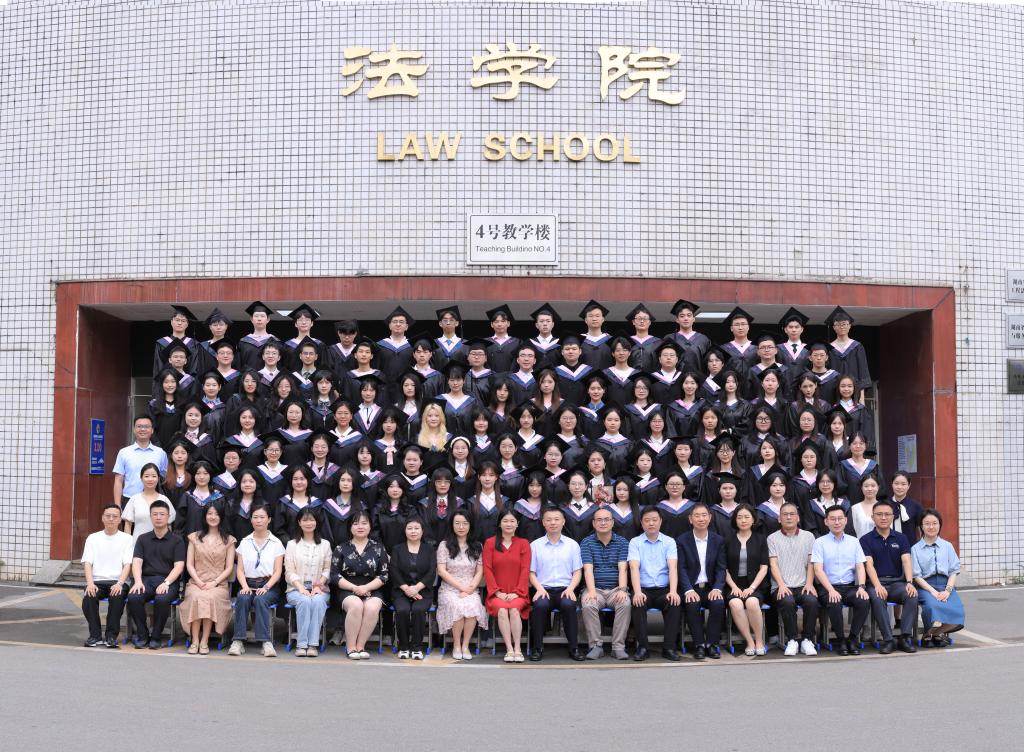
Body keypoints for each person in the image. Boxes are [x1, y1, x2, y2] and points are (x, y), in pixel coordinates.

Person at [811, 505, 871, 655]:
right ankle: (841, 640)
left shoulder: (854, 541)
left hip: (849, 587)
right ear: (826, 522)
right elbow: (818, 570)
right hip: (827, 587)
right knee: (834, 602)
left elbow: (860, 566)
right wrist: (831, 590)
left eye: (839, 519)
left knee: (863, 600)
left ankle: (852, 638)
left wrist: (861, 587)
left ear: (845, 520)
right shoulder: (819, 542)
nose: (836, 522)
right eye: (833, 519)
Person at [861, 500, 919, 654]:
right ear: (873, 517)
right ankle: (888, 640)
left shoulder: (901, 538)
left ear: (893, 517)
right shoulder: (865, 540)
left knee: (911, 595)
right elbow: (868, 564)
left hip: (897, 583)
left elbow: (906, 560)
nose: (883, 517)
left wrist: (909, 582)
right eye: (879, 514)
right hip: (876, 583)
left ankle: (904, 637)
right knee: (877, 598)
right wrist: (877, 585)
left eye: (887, 514)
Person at [126, 500, 186, 649]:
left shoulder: (177, 540)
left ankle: (156, 636)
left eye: (162, 514)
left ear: (168, 517)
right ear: (150, 517)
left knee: (162, 599)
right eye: (155, 514)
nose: (158, 517)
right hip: (145, 580)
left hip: (168, 581)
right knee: (134, 597)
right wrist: (138, 581)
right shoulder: (143, 539)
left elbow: (179, 566)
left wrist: (166, 583)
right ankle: (143, 635)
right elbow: (137, 562)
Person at [228, 503, 285, 657]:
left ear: (269, 520)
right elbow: (240, 569)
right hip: (248, 583)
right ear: (251, 520)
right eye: (255, 517)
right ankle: (238, 641)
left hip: (268, 585)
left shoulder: (276, 543)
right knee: (242, 598)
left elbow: (278, 571)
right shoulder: (245, 542)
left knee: (260, 600)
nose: (258, 520)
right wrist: (244, 586)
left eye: (262, 517)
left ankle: (265, 642)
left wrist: (266, 587)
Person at [179, 500, 236, 655]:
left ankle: (204, 641)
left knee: (209, 597)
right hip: (196, 582)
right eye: (210, 513)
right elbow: (189, 564)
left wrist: (214, 582)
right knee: (196, 596)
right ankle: (194, 640)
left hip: (219, 585)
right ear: (205, 516)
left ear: (221, 517)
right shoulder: (194, 537)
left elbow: (229, 567)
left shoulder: (229, 540)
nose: (213, 517)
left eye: (216, 514)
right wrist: (198, 581)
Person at [331, 510, 389, 660]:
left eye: (364, 523)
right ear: (350, 527)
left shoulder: (379, 548)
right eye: (356, 524)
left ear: (370, 526)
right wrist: (354, 588)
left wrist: (366, 588)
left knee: (372, 607)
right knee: (356, 605)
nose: (360, 527)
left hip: (372, 587)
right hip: (347, 587)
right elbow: (334, 575)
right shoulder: (341, 548)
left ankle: (360, 646)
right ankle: (350, 647)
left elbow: (383, 575)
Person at [529, 506, 584, 661]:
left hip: (565, 589)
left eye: (556, 519)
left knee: (569, 605)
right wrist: (539, 589)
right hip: (543, 589)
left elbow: (577, 571)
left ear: (563, 521)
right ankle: (537, 648)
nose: (553, 523)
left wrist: (571, 588)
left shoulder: (572, 545)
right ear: (543, 523)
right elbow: (531, 572)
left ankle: (574, 648)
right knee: (540, 606)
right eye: (549, 520)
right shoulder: (535, 545)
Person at [628, 506, 683, 662]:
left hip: (663, 589)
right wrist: (637, 592)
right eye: (647, 520)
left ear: (660, 521)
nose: (651, 523)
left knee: (674, 602)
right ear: (641, 523)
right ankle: (643, 647)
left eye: (654, 520)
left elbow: (673, 567)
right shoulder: (635, 542)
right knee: (637, 603)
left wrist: (673, 591)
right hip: (643, 589)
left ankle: (669, 647)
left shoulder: (669, 542)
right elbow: (634, 568)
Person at [767, 502, 820, 656]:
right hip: (781, 586)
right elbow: (773, 564)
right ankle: (792, 640)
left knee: (811, 601)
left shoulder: (808, 536)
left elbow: (811, 563)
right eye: (785, 514)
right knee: (787, 601)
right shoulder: (772, 538)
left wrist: (809, 583)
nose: (789, 517)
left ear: (798, 518)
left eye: (792, 514)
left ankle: (807, 640)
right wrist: (781, 585)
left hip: (803, 584)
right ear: (779, 519)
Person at [677, 502, 727, 659]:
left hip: (711, 587)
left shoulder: (718, 540)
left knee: (718, 603)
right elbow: (681, 568)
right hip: (692, 587)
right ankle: (699, 644)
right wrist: (688, 590)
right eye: (697, 516)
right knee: (692, 604)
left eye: (704, 515)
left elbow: (721, 568)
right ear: (690, 519)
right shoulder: (682, 540)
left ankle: (712, 644)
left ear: (710, 518)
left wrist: (717, 588)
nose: (701, 519)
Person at [580, 507, 631, 660]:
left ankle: (618, 646)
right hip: (595, 588)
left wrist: (622, 589)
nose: (603, 523)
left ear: (612, 522)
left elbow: (623, 569)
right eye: (599, 520)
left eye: (606, 519)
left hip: (616, 589)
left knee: (625, 603)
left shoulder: (622, 542)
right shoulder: (587, 542)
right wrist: (591, 592)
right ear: (593, 523)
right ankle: (595, 646)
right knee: (589, 604)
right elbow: (588, 570)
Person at [80, 504, 134, 647]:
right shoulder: (93, 538)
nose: (111, 519)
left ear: (120, 520)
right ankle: (95, 635)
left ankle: (111, 636)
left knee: (117, 597)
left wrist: (120, 583)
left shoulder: (127, 539)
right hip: (97, 581)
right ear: (102, 518)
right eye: (108, 516)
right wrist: (90, 583)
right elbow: (87, 562)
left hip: (118, 581)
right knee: (89, 597)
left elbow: (128, 564)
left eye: (115, 516)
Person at [436, 511, 488, 660]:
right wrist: (462, 588)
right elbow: (441, 571)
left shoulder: (477, 546)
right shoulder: (444, 545)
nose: (461, 527)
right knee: (457, 606)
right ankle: (456, 645)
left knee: (473, 605)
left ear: (470, 525)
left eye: (465, 523)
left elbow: (480, 571)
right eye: (457, 523)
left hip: (470, 587)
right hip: (449, 588)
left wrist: (470, 589)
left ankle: (465, 645)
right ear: (452, 525)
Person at [483, 508, 532, 662]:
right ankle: (509, 649)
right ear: (499, 524)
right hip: (497, 594)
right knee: (503, 610)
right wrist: (497, 592)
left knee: (514, 610)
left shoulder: (523, 544)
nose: (509, 524)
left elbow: (525, 570)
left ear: (517, 524)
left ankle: (518, 648)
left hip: (519, 593)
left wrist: (517, 592)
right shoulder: (490, 543)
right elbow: (487, 569)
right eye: (505, 521)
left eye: (512, 521)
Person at [911, 509, 965, 646]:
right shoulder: (915, 549)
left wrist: (947, 590)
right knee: (931, 606)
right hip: (925, 586)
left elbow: (954, 571)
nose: (931, 527)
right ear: (921, 526)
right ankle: (930, 633)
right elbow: (916, 576)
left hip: (945, 585)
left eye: (935, 523)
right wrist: (933, 592)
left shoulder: (947, 546)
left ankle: (933, 634)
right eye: (927, 523)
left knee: (958, 611)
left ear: (940, 525)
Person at [284, 507, 333, 657]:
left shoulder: (325, 544)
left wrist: (319, 586)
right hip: (295, 589)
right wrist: (301, 588)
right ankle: (301, 644)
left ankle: (313, 645)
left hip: (320, 589)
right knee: (304, 601)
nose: (308, 523)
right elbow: (289, 571)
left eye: (311, 520)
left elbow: (328, 569)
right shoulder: (292, 544)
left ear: (317, 522)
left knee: (317, 601)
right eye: (305, 520)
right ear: (299, 522)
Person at [724, 504, 770, 656]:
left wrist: (752, 588)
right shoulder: (727, 540)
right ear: (735, 520)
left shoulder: (760, 539)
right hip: (733, 585)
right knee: (735, 603)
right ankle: (749, 641)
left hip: (755, 585)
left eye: (746, 517)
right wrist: (734, 587)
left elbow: (764, 567)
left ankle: (759, 640)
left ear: (753, 520)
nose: (743, 520)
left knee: (752, 602)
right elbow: (723, 568)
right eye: (739, 517)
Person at [390, 516, 436, 660]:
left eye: (417, 528)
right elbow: (394, 571)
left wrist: (416, 588)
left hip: (423, 592)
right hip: (401, 591)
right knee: (402, 610)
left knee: (418, 610)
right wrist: (407, 589)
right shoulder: (397, 549)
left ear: (422, 531)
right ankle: (403, 646)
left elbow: (431, 572)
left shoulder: (429, 549)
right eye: (409, 528)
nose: (413, 531)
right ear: (404, 531)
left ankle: (417, 647)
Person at [112, 416, 168, 507]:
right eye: (139, 426)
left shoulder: (160, 453)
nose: (142, 429)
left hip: (154, 501)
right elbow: (118, 480)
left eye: (146, 426)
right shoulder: (124, 452)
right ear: (134, 430)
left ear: (152, 430)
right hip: (129, 500)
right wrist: (117, 506)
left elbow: (165, 478)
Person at [122, 463, 175, 543]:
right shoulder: (134, 499)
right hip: (138, 544)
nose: (150, 479)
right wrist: (127, 545)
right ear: (141, 478)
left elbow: (169, 525)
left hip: (161, 545)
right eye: (146, 476)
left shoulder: (164, 499)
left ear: (158, 478)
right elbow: (128, 526)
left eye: (154, 476)